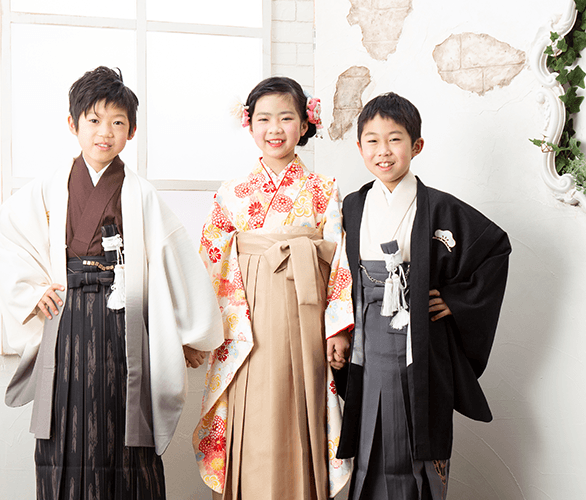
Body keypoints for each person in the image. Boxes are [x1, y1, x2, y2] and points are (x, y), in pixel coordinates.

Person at [0, 66, 223, 500]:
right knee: (65, 420)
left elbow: (172, 259)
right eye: (94, 120)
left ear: (131, 131)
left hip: (123, 323)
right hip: (66, 319)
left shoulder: (141, 193)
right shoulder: (48, 187)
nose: (105, 133)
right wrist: (31, 290)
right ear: (72, 124)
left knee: (124, 422)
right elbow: (6, 235)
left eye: (118, 123)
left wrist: (187, 334)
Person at [337, 92, 511, 500]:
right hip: (367, 336)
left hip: (417, 339)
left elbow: (494, 248)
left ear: (416, 146)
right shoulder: (353, 205)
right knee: (368, 438)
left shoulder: (439, 207)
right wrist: (339, 330)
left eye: (395, 139)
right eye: (372, 140)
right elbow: (336, 275)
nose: (383, 151)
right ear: (359, 147)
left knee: (415, 435)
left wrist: (456, 300)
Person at [192, 76, 354, 500]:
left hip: (305, 318)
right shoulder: (232, 194)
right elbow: (209, 262)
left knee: (298, 408)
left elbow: (340, 261)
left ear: (305, 123)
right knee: (250, 413)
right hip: (244, 325)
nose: (275, 129)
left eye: (286, 117)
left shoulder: (324, 189)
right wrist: (199, 332)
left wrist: (338, 328)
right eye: (264, 118)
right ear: (249, 124)